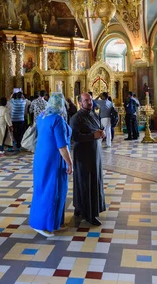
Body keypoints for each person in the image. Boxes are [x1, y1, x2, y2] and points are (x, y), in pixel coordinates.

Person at [29, 93, 73, 238]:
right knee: (51, 190)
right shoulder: (57, 119)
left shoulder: (42, 116)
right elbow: (62, 146)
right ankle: (43, 225)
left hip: (41, 158)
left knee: (43, 189)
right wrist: (70, 162)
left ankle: (54, 222)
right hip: (54, 159)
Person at [70, 92, 106, 226]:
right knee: (85, 183)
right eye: (86, 101)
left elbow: (98, 128)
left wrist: (102, 133)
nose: (89, 102)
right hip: (83, 156)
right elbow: (75, 137)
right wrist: (93, 136)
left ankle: (81, 208)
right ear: (80, 103)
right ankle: (88, 214)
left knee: (94, 181)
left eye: (90, 100)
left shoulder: (93, 114)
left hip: (95, 155)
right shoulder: (76, 118)